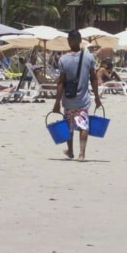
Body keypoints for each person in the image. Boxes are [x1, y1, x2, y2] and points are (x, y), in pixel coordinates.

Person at [52, 30, 102, 162]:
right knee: (83, 126)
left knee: (68, 125)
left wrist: (57, 102)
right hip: (83, 100)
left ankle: (70, 151)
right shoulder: (89, 57)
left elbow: (61, 82)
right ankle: (82, 154)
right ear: (80, 41)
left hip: (68, 100)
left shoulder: (63, 59)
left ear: (68, 41)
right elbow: (94, 79)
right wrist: (97, 97)